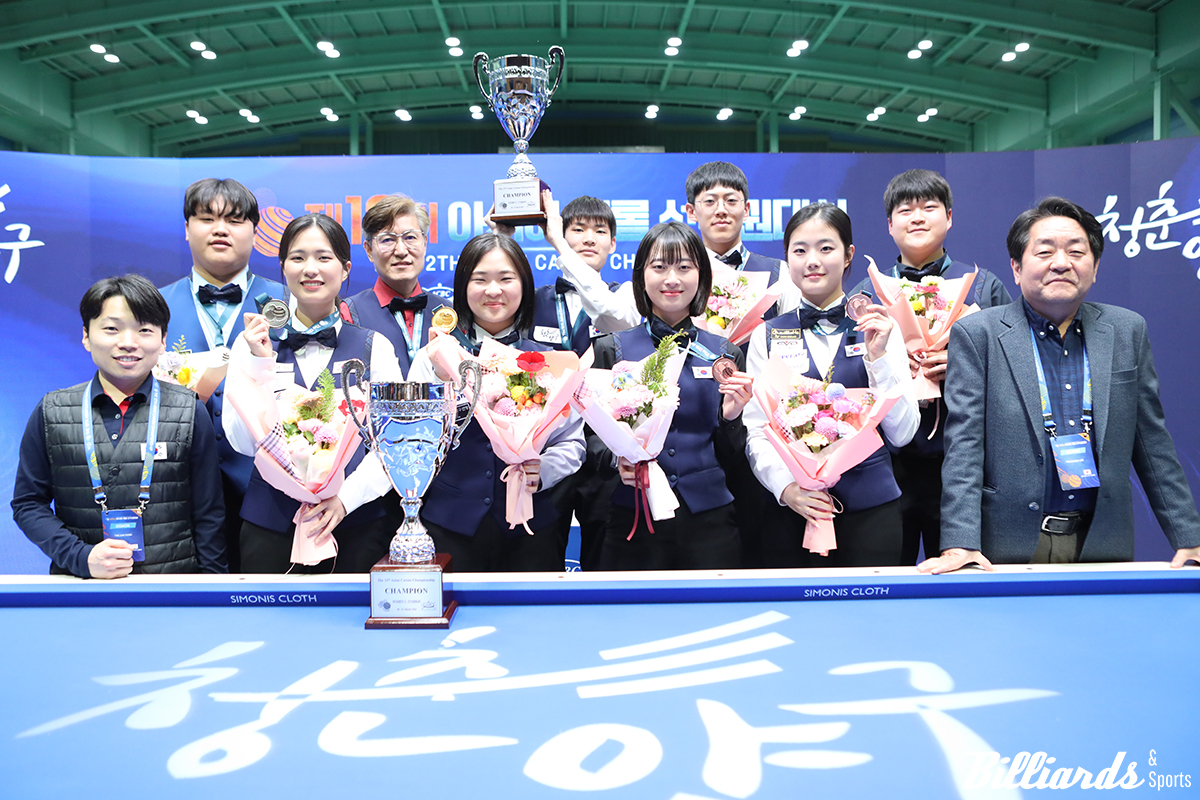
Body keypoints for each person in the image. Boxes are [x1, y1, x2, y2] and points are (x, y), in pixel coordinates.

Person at [921, 197, 1200, 573]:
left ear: (1095, 266)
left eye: (1076, 251)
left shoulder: (1126, 330)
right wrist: (960, 543)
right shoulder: (978, 334)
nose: (1061, 262)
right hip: (1005, 546)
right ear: (1016, 268)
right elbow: (964, 446)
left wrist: (1190, 537)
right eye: (1045, 251)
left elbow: (1152, 442)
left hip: (1102, 541)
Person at [12, 275, 227, 578]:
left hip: (173, 590)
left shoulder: (188, 409)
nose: (128, 342)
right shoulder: (52, 410)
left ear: (163, 340)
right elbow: (28, 504)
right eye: (112, 328)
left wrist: (212, 591)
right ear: (86, 335)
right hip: (80, 587)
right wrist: (80, 557)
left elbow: (209, 515)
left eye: (144, 330)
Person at [847, 169, 1012, 564]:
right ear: (889, 225)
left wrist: (963, 363)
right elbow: (850, 378)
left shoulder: (981, 286)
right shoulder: (865, 295)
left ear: (950, 217)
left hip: (962, 461)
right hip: (887, 464)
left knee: (962, 579)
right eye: (905, 210)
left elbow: (1012, 367)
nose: (917, 217)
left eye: (929, 208)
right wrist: (886, 362)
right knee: (887, 581)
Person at [224, 213, 402, 573]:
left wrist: (346, 500)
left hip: (356, 523)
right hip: (270, 525)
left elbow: (394, 438)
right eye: (298, 257)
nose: (311, 269)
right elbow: (241, 442)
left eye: (324, 258)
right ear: (283, 267)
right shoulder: (251, 344)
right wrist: (260, 365)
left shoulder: (375, 347)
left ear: (346, 268)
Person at [744, 203, 919, 567]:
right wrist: (785, 489)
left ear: (848, 254)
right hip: (793, 511)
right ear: (787, 258)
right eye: (800, 250)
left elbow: (902, 433)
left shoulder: (880, 326)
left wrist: (879, 358)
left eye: (826, 248)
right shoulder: (766, 334)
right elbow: (757, 429)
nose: (813, 260)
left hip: (872, 510)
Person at [406, 233, 585, 572]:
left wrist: (543, 470)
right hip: (450, 524)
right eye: (480, 279)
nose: (493, 290)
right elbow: (411, 440)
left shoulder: (551, 360)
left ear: (525, 285)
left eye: (506, 278)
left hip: (534, 527)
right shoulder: (432, 359)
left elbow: (572, 444)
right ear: (462, 286)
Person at [588, 220, 754, 570]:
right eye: (659, 267)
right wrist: (616, 461)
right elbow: (591, 439)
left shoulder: (726, 354)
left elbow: (733, 454)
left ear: (701, 276)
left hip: (708, 520)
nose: (672, 279)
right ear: (641, 275)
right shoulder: (610, 349)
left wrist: (732, 417)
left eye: (684, 267)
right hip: (632, 516)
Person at [158, 178, 286, 571]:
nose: (219, 229)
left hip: (271, 494)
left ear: (254, 230)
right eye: (206, 218)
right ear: (186, 228)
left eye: (234, 219)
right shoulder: (153, 308)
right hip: (177, 495)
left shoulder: (291, 302)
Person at [339, 194, 449, 378]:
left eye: (410, 237)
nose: (401, 251)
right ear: (369, 251)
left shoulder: (447, 312)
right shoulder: (350, 313)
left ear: (425, 244)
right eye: (387, 240)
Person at [685, 161, 787, 285]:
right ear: (691, 212)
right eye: (710, 201)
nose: (721, 210)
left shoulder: (779, 272)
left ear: (746, 209)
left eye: (731, 200)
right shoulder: (681, 276)